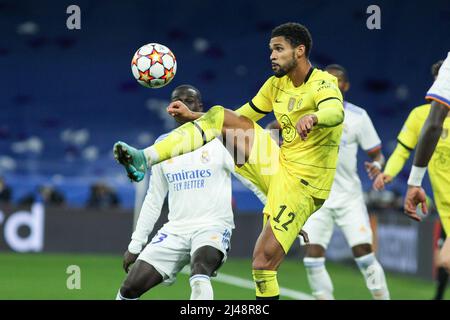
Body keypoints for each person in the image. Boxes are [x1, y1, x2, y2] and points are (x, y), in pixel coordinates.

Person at [114, 22, 344, 299]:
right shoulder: (275, 85)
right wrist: (196, 117)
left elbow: (335, 111)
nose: (272, 55)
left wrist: (315, 117)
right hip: (279, 163)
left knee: (262, 263)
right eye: (270, 49)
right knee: (222, 114)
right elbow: (237, 120)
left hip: (304, 184)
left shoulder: (323, 83)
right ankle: (145, 158)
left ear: (300, 51)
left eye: (279, 49)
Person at [116, 85, 266, 300]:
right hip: (175, 230)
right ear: (171, 108)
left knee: (199, 270)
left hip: (212, 226)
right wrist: (136, 243)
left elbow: (252, 179)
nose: (183, 103)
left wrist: (278, 210)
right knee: (129, 289)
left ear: (199, 107)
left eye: (189, 100)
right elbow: (154, 199)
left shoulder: (220, 140)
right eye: (177, 99)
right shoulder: (162, 146)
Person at [291, 64, 389, 300]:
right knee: (312, 257)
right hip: (315, 198)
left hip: (348, 198)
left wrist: (376, 166)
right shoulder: (306, 113)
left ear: (346, 86)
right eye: (328, 80)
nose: (333, 84)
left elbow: (377, 154)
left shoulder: (357, 116)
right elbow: (278, 130)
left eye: (338, 81)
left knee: (364, 253)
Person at [374, 58, 450, 274]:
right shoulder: (421, 116)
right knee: (444, 262)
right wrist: (388, 173)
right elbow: (402, 149)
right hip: (444, 206)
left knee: (445, 260)